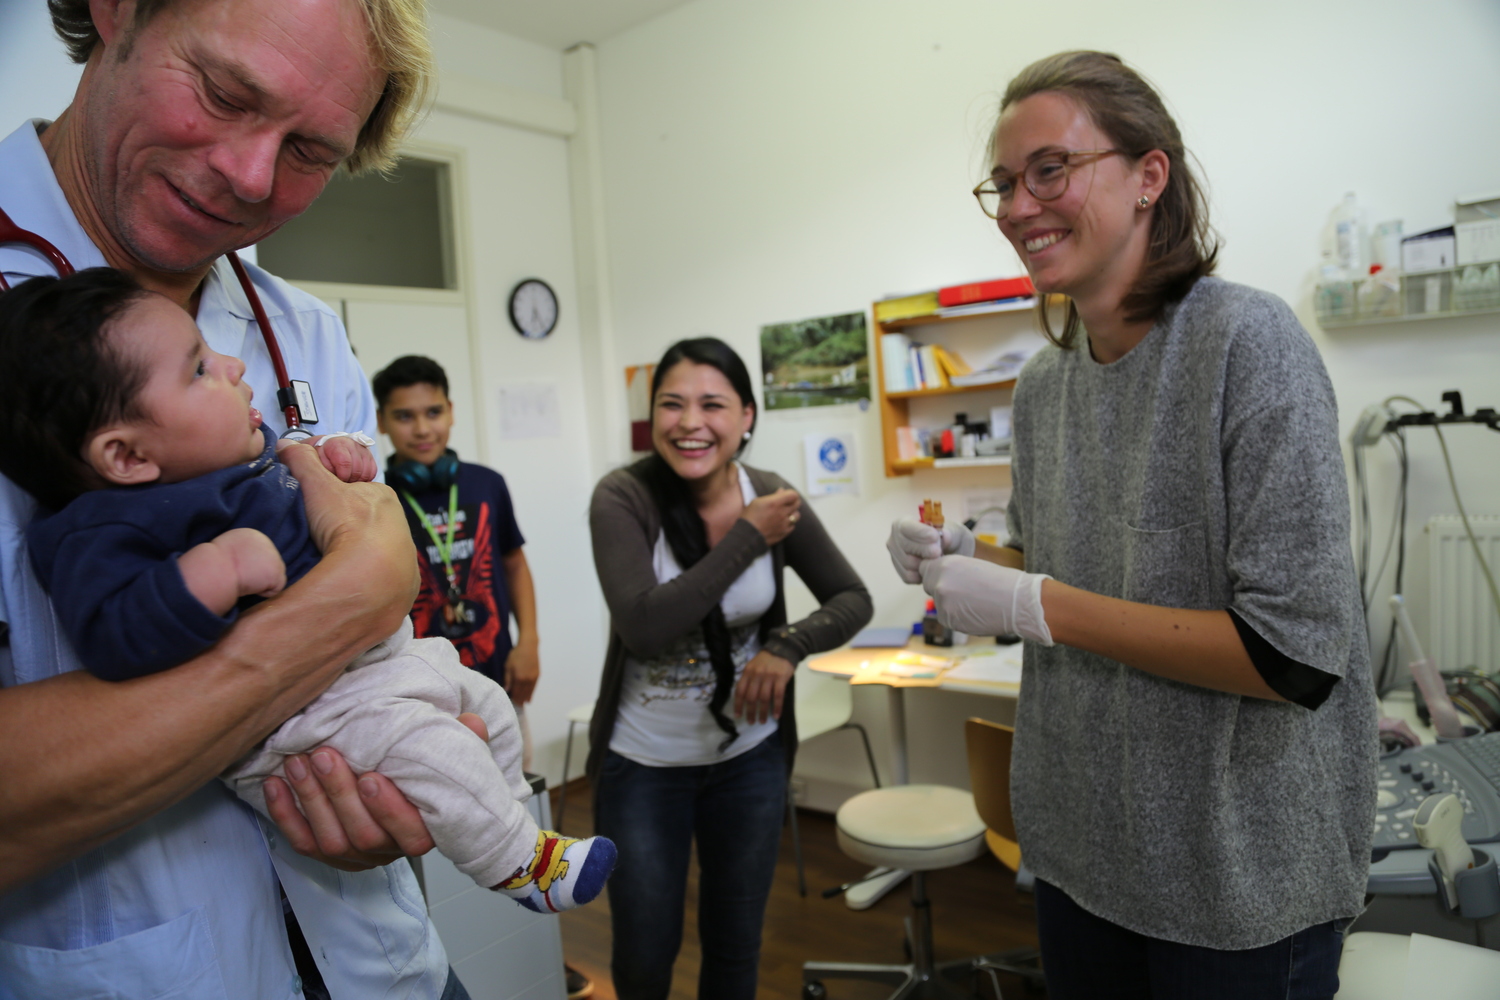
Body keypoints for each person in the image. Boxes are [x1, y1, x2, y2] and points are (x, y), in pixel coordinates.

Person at [0, 1, 477, 996]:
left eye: (308, 152)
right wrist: (346, 600)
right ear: (115, 9)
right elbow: (366, 587)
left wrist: (383, 795)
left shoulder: (304, 334)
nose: (252, 177)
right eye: (224, 93)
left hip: (385, 965)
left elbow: (381, 636)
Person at [887, 51, 1377, 999]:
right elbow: (1054, 560)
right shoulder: (1042, 386)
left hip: (1236, 877)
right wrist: (970, 556)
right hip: (1083, 853)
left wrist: (1032, 602)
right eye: (1004, 184)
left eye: (1050, 170)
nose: (1020, 206)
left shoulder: (1249, 345)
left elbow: (1294, 656)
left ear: (1150, 175)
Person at [0, 268, 616, 915]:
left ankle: (511, 819)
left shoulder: (236, 459)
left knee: (487, 707)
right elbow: (114, 634)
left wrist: (337, 461)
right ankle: (521, 866)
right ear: (126, 457)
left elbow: (323, 486)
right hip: (301, 719)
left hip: (375, 665)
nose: (234, 364)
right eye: (200, 369)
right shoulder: (101, 529)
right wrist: (215, 573)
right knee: (439, 753)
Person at [587, 337, 873, 1000]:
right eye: (672, 404)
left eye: (712, 404)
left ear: (746, 416)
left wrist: (787, 646)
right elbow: (644, 626)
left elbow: (850, 597)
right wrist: (748, 536)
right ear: (653, 415)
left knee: (736, 945)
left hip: (750, 759)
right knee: (644, 954)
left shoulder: (770, 495)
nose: (690, 422)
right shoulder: (624, 497)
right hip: (644, 766)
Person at [374, 355, 600, 999]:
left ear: (451, 410)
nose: (422, 428)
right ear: (382, 422)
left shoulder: (485, 484)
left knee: (513, 806)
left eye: (433, 411)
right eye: (404, 416)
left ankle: (534, 952)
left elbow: (515, 563)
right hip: (416, 696)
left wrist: (530, 643)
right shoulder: (375, 498)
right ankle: (459, 955)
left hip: (494, 682)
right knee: (440, 822)